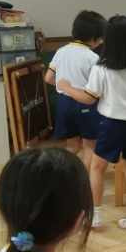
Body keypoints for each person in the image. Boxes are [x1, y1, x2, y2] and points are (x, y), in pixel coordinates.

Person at [58, 16, 126, 234]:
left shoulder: (103, 67)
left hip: (112, 124)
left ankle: (94, 216)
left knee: (97, 168)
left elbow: (89, 98)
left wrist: (67, 88)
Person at [45, 11, 107, 174]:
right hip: (85, 103)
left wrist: (64, 87)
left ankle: (63, 174)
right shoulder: (92, 58)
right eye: (101, 38)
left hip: (64, 104)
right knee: (89, 146)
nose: (101, 41)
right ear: (94, 37)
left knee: (72, 146)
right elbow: (97, 88)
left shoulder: (61, 51)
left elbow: (48, 78)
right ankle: (85, 180)